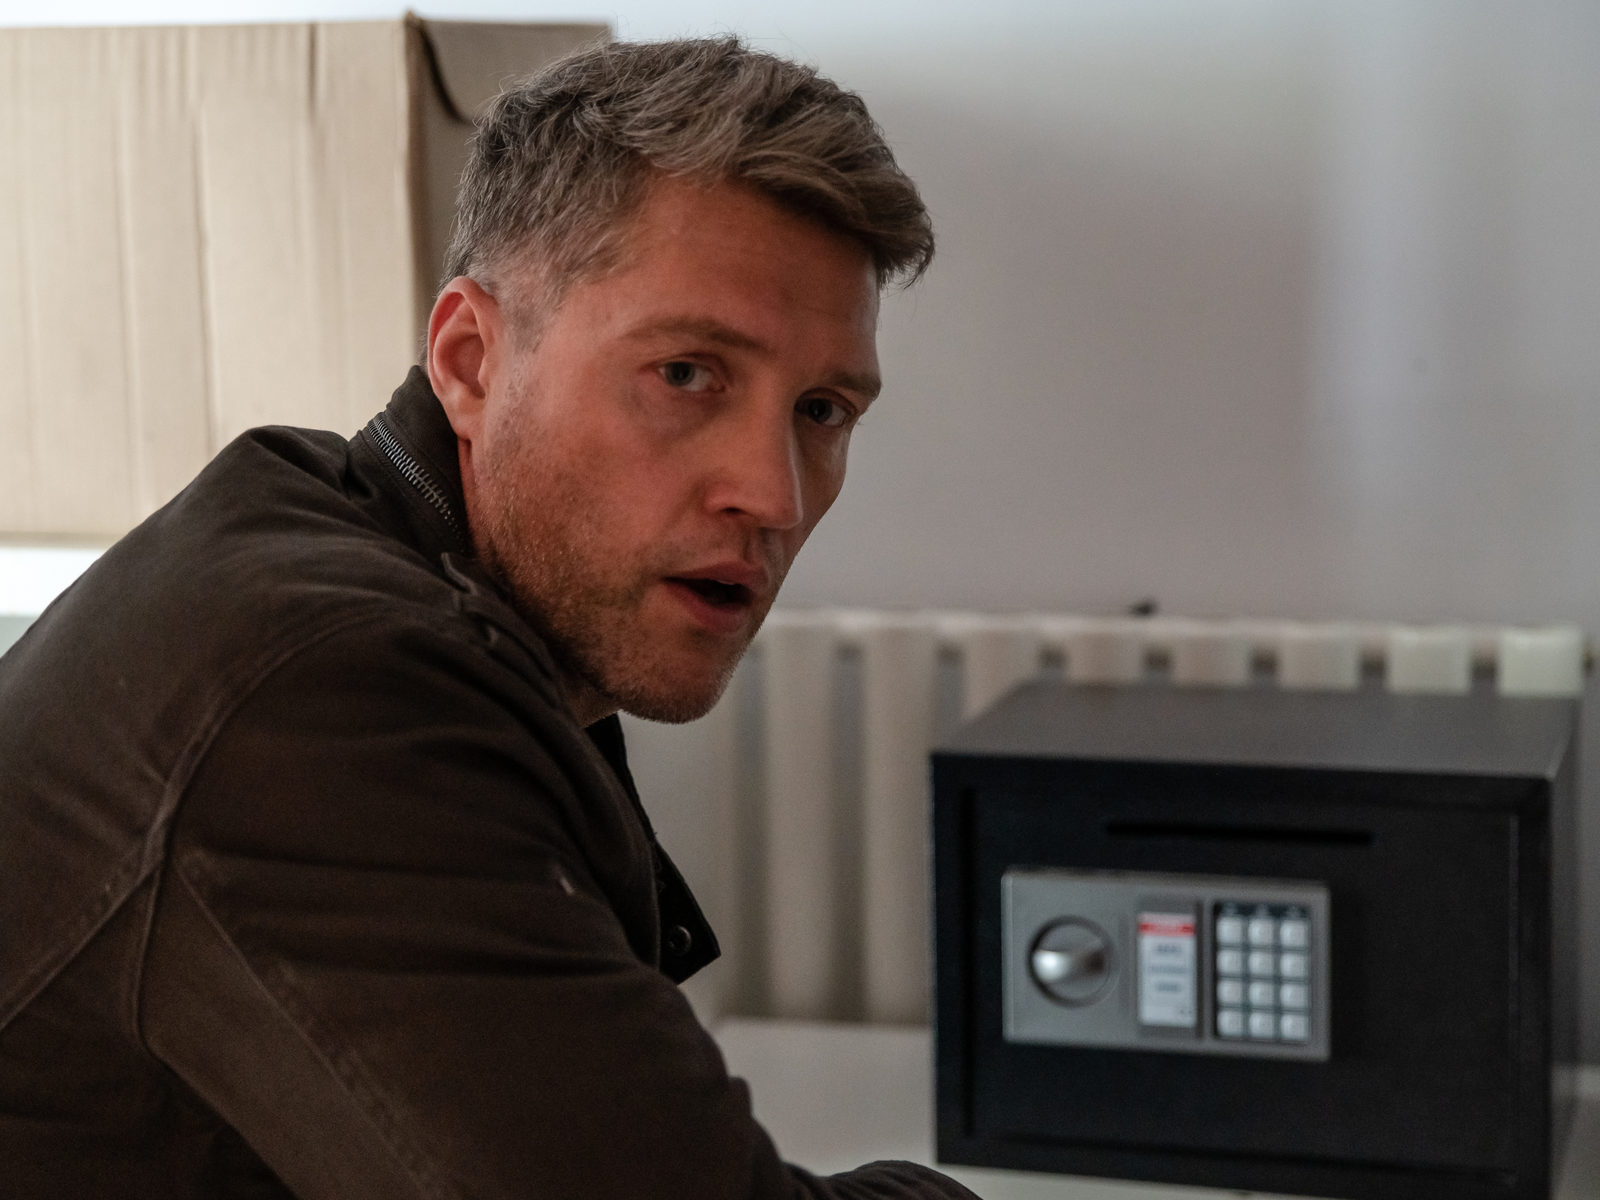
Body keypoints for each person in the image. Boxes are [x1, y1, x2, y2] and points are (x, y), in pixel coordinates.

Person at [0, 35, 979, 1200]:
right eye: (686, 373)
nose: (772, 494)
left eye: (821, 410)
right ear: (469, 361)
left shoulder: (376, 547)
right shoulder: (323, 694)